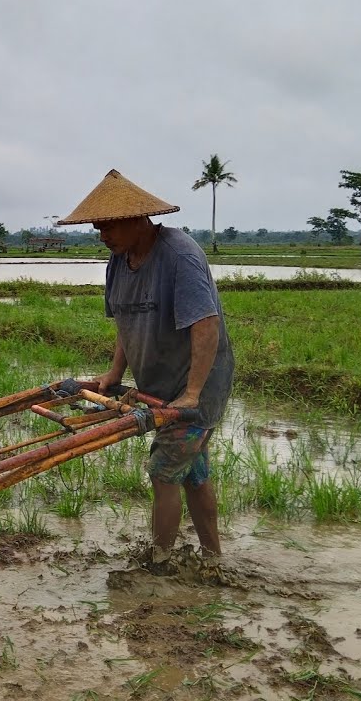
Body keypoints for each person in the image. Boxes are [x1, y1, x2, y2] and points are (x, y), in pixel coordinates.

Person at [57, 169, 234, 567]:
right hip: (159, 385)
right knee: (193, 472)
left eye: (108, 226)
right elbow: (125, 320)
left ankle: (158, 562)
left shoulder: (179, 255)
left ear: (137, 220)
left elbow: (206, 323)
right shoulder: (118, 261)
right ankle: (212, 558)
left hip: (200, 385)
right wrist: (114, 375)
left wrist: (191, 394)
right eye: (97, 227)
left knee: (163, 470)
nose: (102, 235)